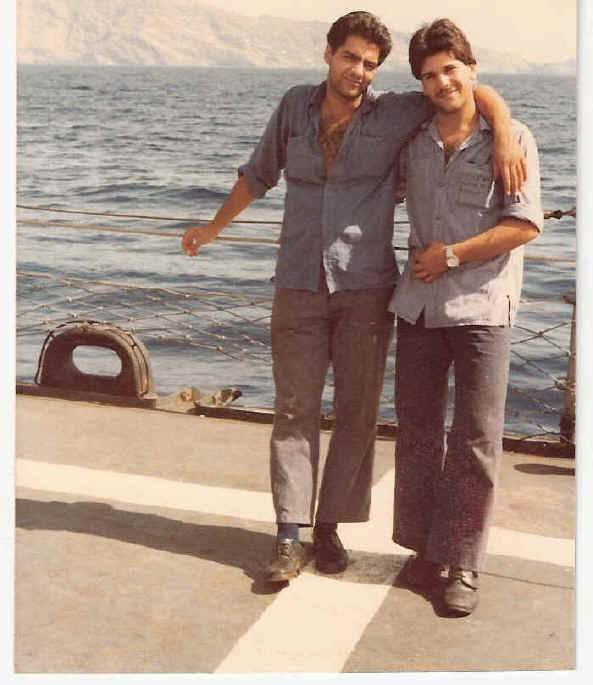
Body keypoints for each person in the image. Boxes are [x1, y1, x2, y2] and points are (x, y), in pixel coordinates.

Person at [181, 11, 524, 583]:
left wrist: (505, 131)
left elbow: (465, 89)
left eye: (369, 64)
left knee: (357, 414)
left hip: (365, 287)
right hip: (297, 282)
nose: (357, 71)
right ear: (328, 54)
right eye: (349, 58)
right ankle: (288, 533)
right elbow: (258, 174)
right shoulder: (294, 106)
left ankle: (329, 527)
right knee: (294, 409)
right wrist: (213, 228)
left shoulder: (394, 112)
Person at [391, 18, 542, 615]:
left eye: (451, 69)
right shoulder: (413, 140)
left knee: (475, 439)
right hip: (419, 308)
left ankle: (463, 563)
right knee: (418, 432)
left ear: (471, 69)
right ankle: (425, 550)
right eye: (429, 75)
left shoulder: (514, 139)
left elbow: (523, 225)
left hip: (482, 307)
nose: (442, 82)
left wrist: (451, 255)